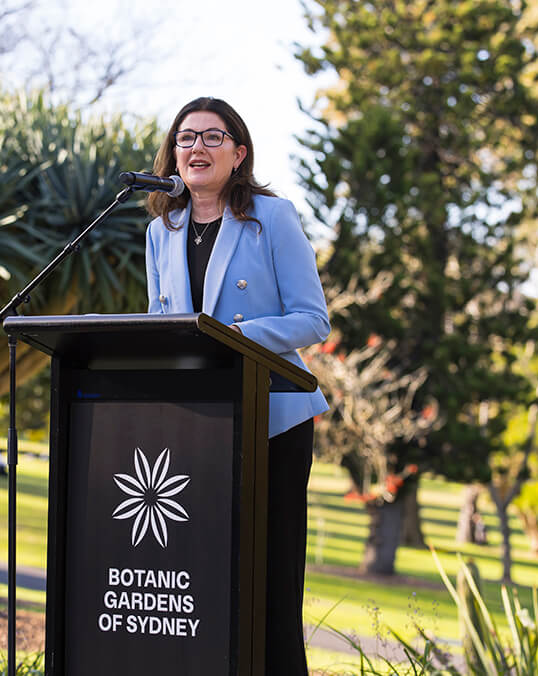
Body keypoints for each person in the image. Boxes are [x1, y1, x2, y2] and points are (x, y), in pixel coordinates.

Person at [144, 96, 330, 676]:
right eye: (185, 138)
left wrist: (236, 333)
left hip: (273, 418)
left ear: (239, 152)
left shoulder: (272, 218)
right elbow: (158, 324)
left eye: (211, 137)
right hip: (199, 423)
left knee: (270, 576)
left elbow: (313, 319)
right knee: (205, 571)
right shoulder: (160, 228)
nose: (196, 147)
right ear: (172, 154)